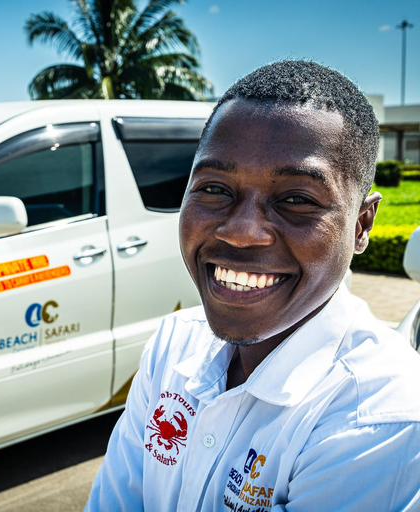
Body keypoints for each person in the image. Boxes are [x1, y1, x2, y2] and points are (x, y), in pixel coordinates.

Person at [83, 60, 420, 511]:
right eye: (215, 189)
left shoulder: (379, 416)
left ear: (360, 226)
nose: (241, 232)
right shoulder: (174, 344)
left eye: (297, 199)